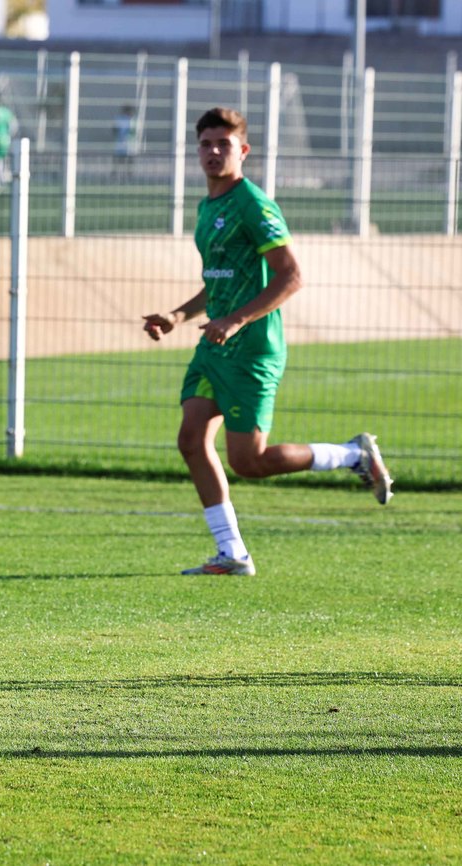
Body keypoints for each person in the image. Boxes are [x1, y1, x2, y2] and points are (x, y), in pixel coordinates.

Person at [142, 106, 393, 577]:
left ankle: (353, 454)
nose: (213, 152)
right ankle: (232, 552)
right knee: (191, 439)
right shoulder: (208, 206)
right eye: (205, 144)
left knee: (250, 462)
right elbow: (218, 281)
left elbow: (292, 276)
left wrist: (236, 320)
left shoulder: (253, 205)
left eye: (223, 144)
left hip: (252, 350)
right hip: (215, 346)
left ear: (243, 150)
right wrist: (177, 315)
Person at [112, 104, 139, 179]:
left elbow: (134, 132)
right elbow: (114, 129)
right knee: (119, 158)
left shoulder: (133, 120)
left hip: (129, 143)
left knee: (130, 158)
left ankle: (129, 173)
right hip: (120, 143)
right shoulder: (119, 119)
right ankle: (115, 173)